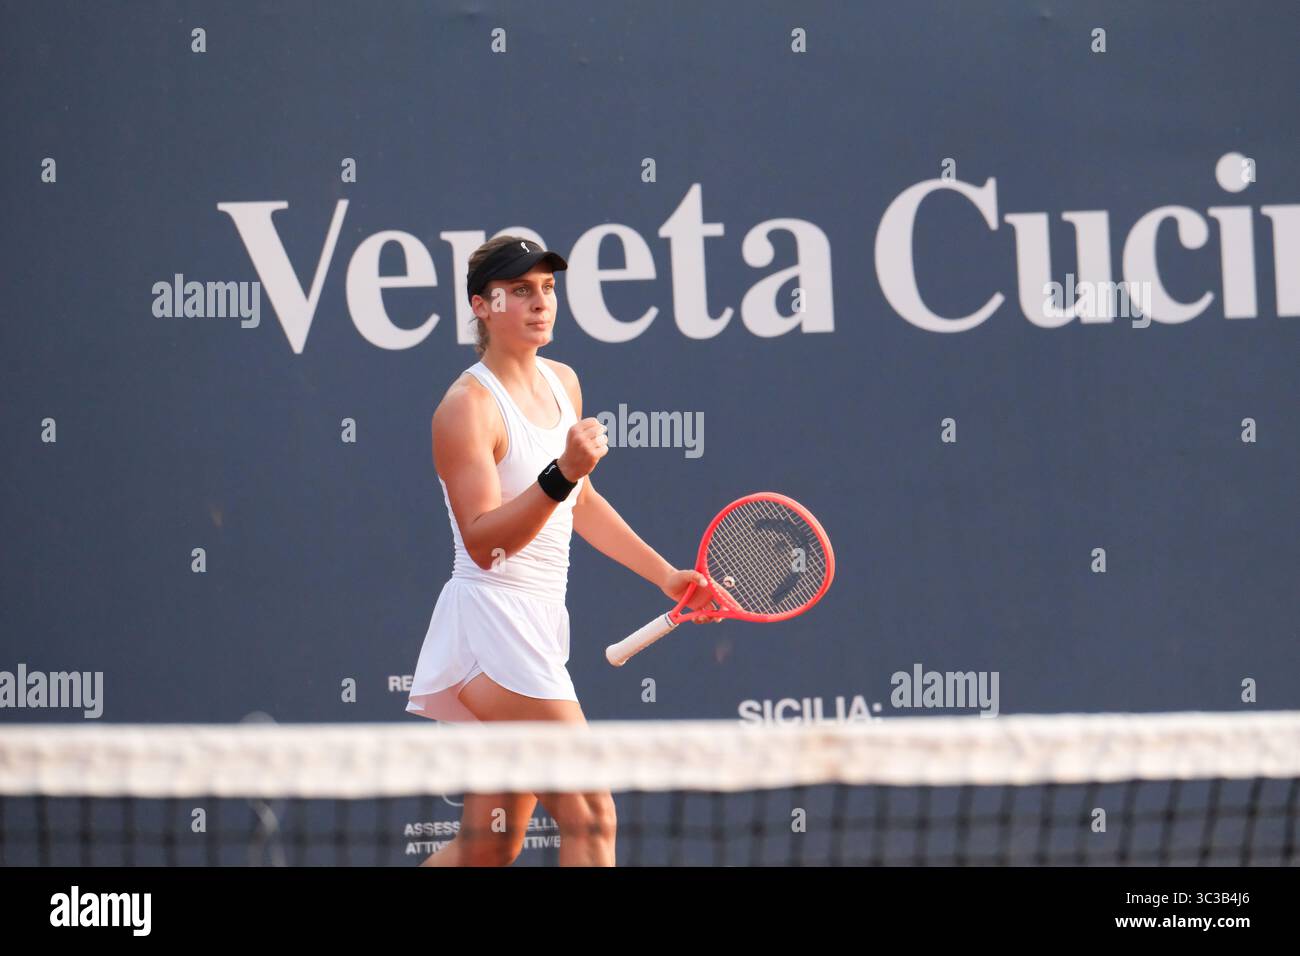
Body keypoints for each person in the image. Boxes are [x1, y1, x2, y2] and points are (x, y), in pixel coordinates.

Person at [407, 235, 721, 867]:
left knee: (489, 847)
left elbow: (579, 502)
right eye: (520, 290)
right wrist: (561, 471)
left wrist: (665, 576)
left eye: (547, 288)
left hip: (537, 626)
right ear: (483, 304)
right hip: (490, 630)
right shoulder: (465, 409)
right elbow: (484, 542)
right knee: (590, 816)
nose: (540, 302)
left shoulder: (563, 382)